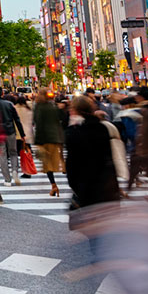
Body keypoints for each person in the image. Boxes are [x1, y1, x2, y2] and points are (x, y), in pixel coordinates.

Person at [64, 94, 123, 224]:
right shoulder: (102, 128)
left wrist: (75, 187)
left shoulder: (74, 132)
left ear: (75, 110)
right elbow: (108, 157)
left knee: (91, 226)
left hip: (85, 185)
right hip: (105, 182)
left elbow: (71, 164)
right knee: (106, 226)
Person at [30, 87, 66, 198]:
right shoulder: (53, 106)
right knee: (60, 164)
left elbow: (38, 123)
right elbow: (61, 119)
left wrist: (38, 141)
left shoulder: (39, 107)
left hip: (45, 139)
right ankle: (59, 186)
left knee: (48, 165)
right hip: (57, 138)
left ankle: (54, 185)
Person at [0, 91, 23, 186]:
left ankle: (7, 179)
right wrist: (22, 134)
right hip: (10, 131)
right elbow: (17, 119)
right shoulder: (9, 104)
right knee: (13, 152)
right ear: (2, 93)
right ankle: (15, 171)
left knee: (2, 155)